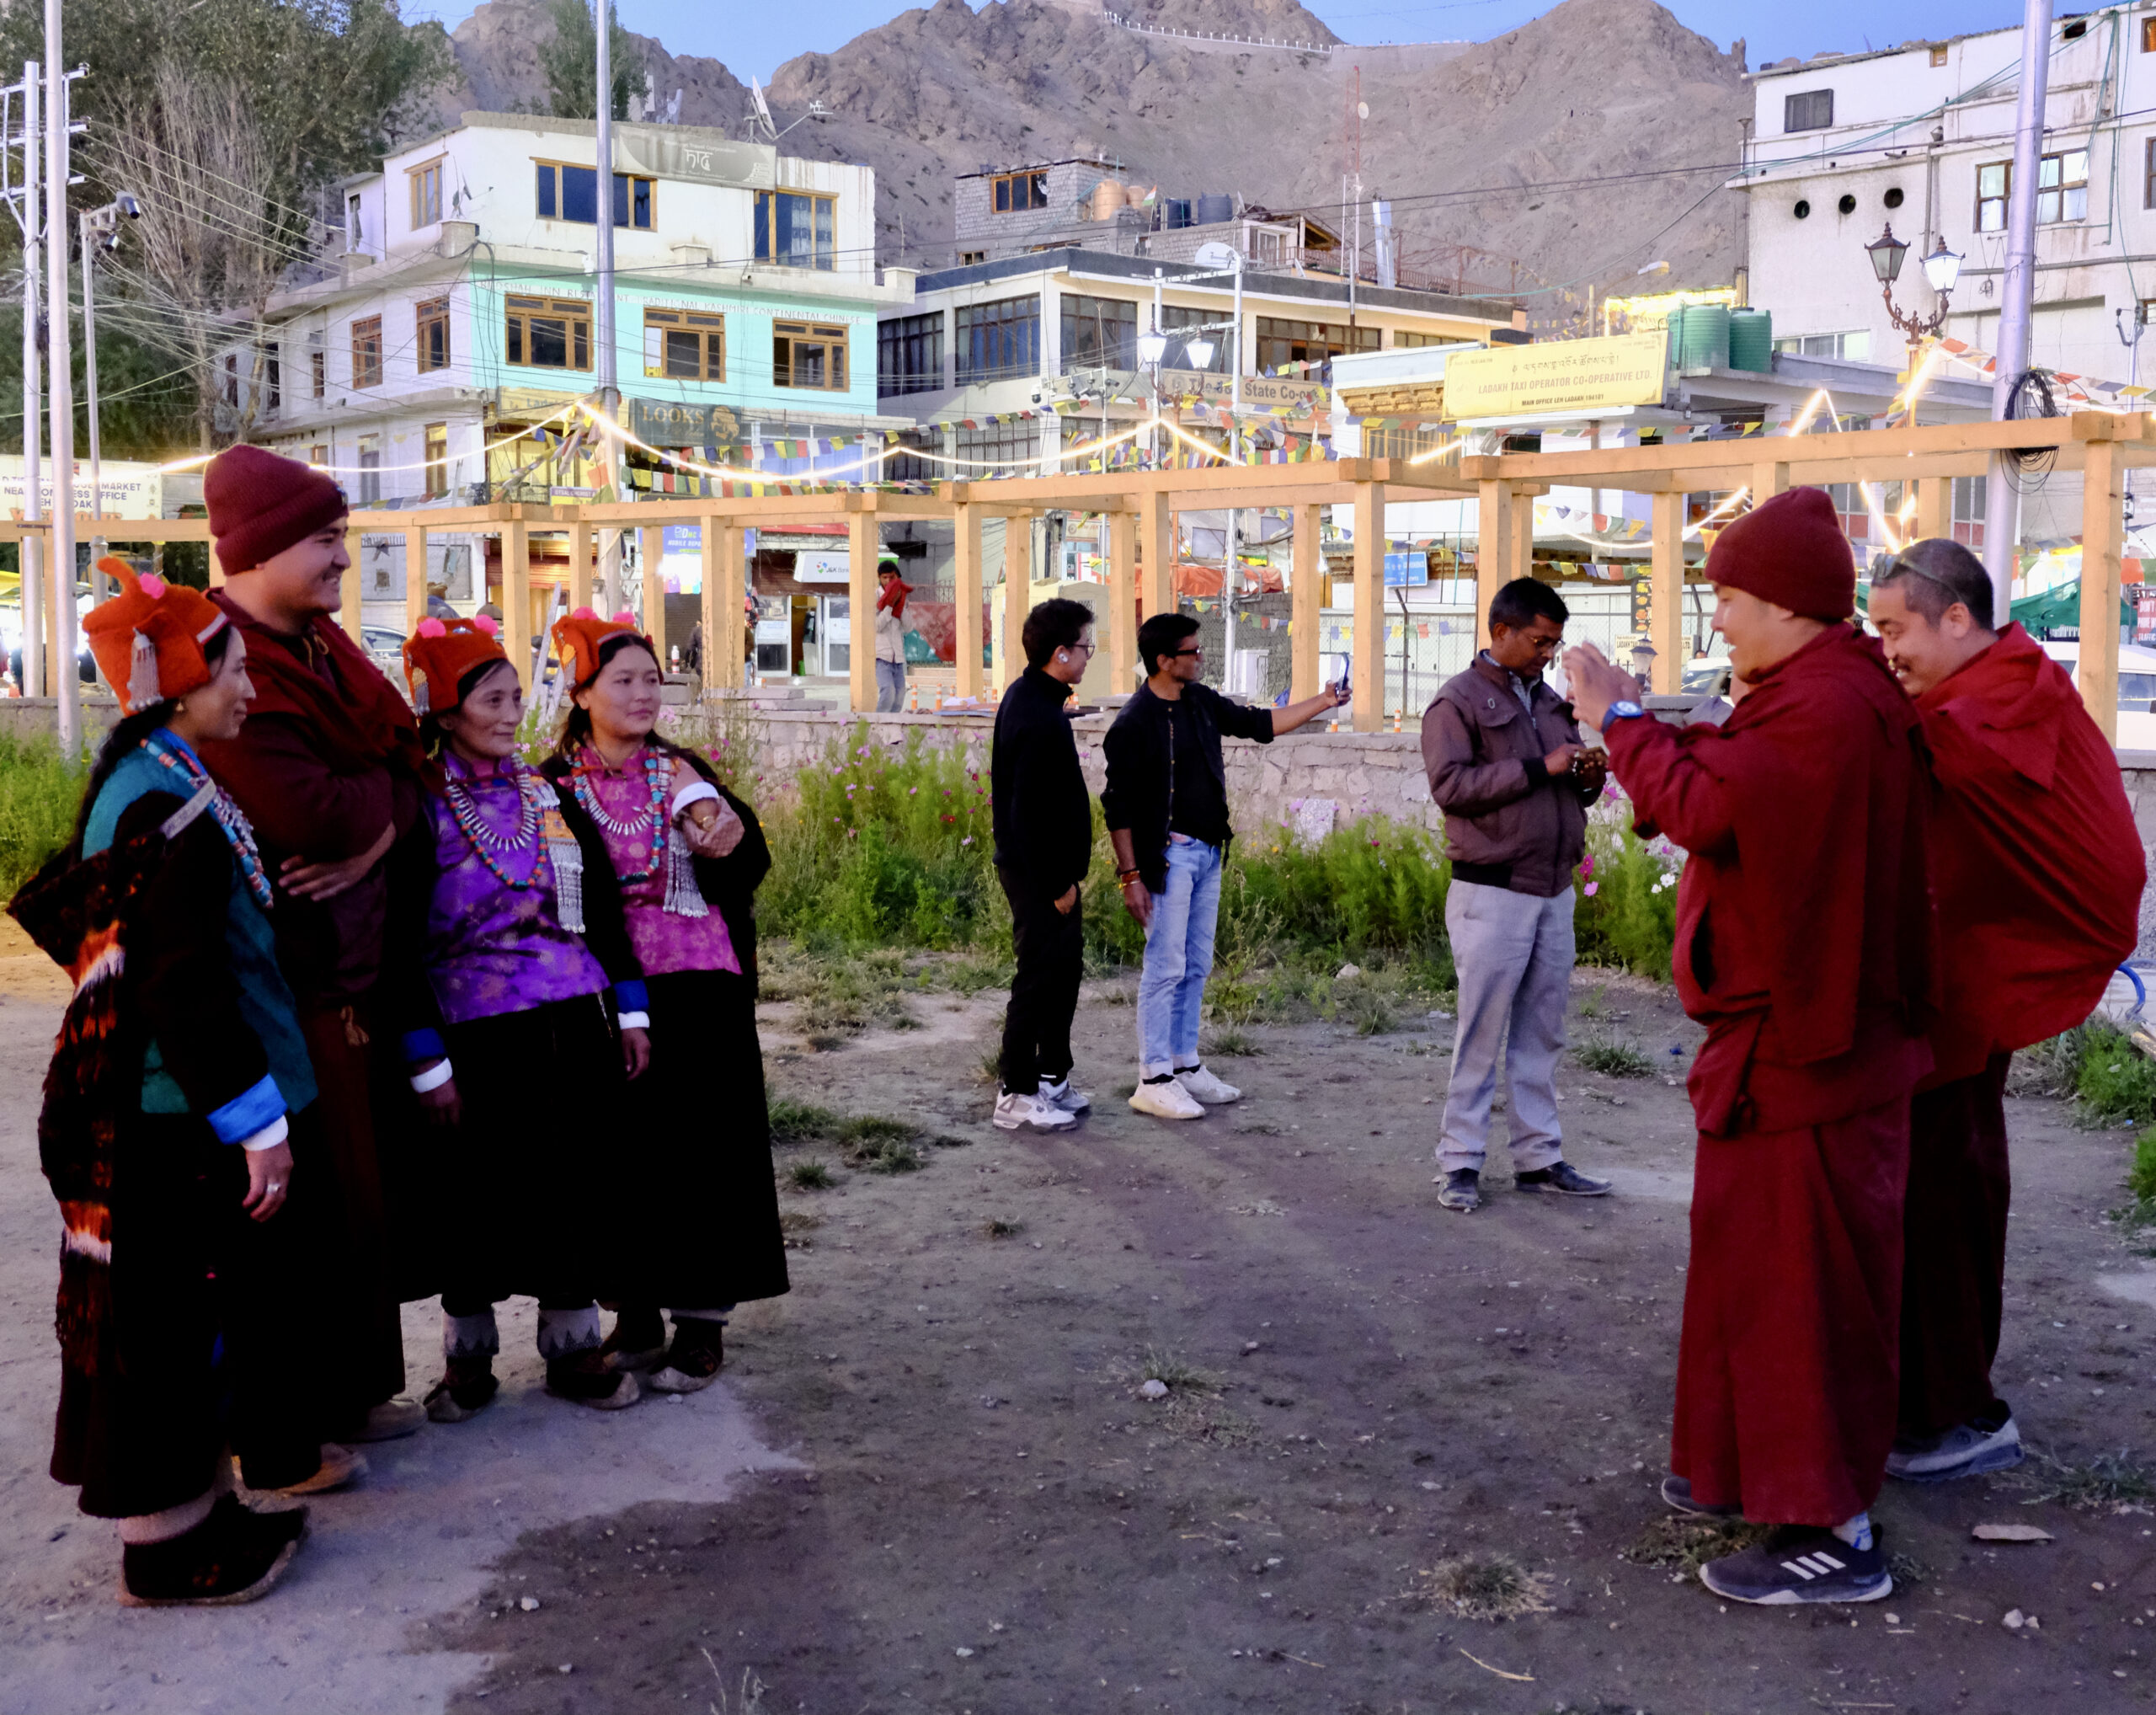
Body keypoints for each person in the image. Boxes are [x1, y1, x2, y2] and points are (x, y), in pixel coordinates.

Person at [1565, 486, 1938, 1606]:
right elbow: (1725, 778)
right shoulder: (1821, 695)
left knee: (1800, 1291)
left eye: (1727, 597)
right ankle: (1748, 1473)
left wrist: (1617, 723)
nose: (1717, 619)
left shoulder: (1826, 708)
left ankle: (1835, 1534)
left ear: (1783, 601)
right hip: (1791, 1049)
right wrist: (1650, 734)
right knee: (1750, 1275)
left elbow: (1715, 811)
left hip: (1811, 1054)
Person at [12, 564, 326, 1605]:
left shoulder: (164, 773)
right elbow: (180, 988)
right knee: (161, 1326)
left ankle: (201, 1511)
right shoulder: (158, 803)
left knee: (191, 1318)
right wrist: (257, 1122)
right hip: (167, 1115)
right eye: (236, 668)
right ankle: (166, 1547)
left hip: (168, 1110)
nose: (252, 687)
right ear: (183, 679)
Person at [1869, 539, 2143, 1482]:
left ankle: (1953, 1415)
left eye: (1894, 630)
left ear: (1957, 618)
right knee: (1936, 1196)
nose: (1886, 650)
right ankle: (1928, 1399)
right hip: (1959, 983)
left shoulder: (2006, 691)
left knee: (1946, 1204)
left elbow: (1913, 751)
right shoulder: (1973, 690)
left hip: (1973, 989)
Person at [195, 445, 429, 1449]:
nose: (344, 560)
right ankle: (297, 1421)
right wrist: (376, 812)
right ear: (259, 550)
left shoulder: (325, 646)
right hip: (283, 990)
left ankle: (355, 1389)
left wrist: (375, 824)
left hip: (358, 971)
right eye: (326, 539)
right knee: (305, 1204)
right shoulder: (223, 660)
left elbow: (408, 759)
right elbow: (306, 816)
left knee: (362, 1199)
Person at [389, 617, 648, 1418]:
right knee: (469, 1192)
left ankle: (573, 1347)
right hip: (470, 1036)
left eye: (515, 698)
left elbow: (602, 911)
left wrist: (631, 1012)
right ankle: (469, 1360)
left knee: (572, 1183)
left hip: (571, 1021)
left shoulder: (548, 794)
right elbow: (395, 942)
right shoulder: (417, 806)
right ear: (443, 710)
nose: (509, 715)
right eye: (492, 701)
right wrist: (426, 1060)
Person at [540, 608, 787, 1391]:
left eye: (653, 679)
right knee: (619, 1156)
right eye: (625, 680)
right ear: (583, 693)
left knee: (706, 1150)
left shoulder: (683, 772)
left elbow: (746, 868)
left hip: (702, 985)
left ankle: (703, 1322)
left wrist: (728, 831)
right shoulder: (551, 789)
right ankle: (636, 1314)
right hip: (608, 992)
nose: (645, 694)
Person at [1103, 612, 1344, 1119]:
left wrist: (1324, 701)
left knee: (1195, 964)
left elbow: (1260, 724)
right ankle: (1153, 1077)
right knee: (1164, 967)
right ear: (1165, 661)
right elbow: (1118, 807)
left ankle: (1185, 1064)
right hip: (1167, 859)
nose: (1201, 657)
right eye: (1192, 652)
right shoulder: (1134, 723)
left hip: (1208, 853)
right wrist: (1130, 877)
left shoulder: (1200, 701)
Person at [1422, 577, 1613, 1213]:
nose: (1546, 655)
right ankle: (1460, 1164)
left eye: (1554, 644)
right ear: (1499, 632)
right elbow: (1451, 787)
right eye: (1538, 642)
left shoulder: (1552, 702)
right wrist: (1543, 767)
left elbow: (1563, 790)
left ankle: (1539, 1158)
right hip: (1492, 892)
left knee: (1541, 1033)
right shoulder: (1457, 702)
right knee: (1481, 1034)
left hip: (1551, 889)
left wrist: (1585, 777)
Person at [987, 597, 1097, 1132]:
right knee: (1037, 976)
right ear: (1060, 653)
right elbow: (1025, 811)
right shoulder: (1034, 712)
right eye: (1085, 647)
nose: (1088, 656)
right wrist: (1056, 882)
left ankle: (1052, 1075)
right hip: (1037, 873)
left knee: (1064, 973)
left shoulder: (1043, 699)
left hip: (1053, 872)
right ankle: (1016, 1091)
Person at [874, 559, 912, 712]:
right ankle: (878, 726)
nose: (888, 581)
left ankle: (892, 727)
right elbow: (877, 626)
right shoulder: (876, 597)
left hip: (898, 657)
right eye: (885, 578)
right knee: (888, 692)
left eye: (892, 578)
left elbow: (909, 627)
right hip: (882, 656)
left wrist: (900, 605)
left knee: (900, 695)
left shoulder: (901, 598)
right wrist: (889, 605)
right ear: (880, 577)